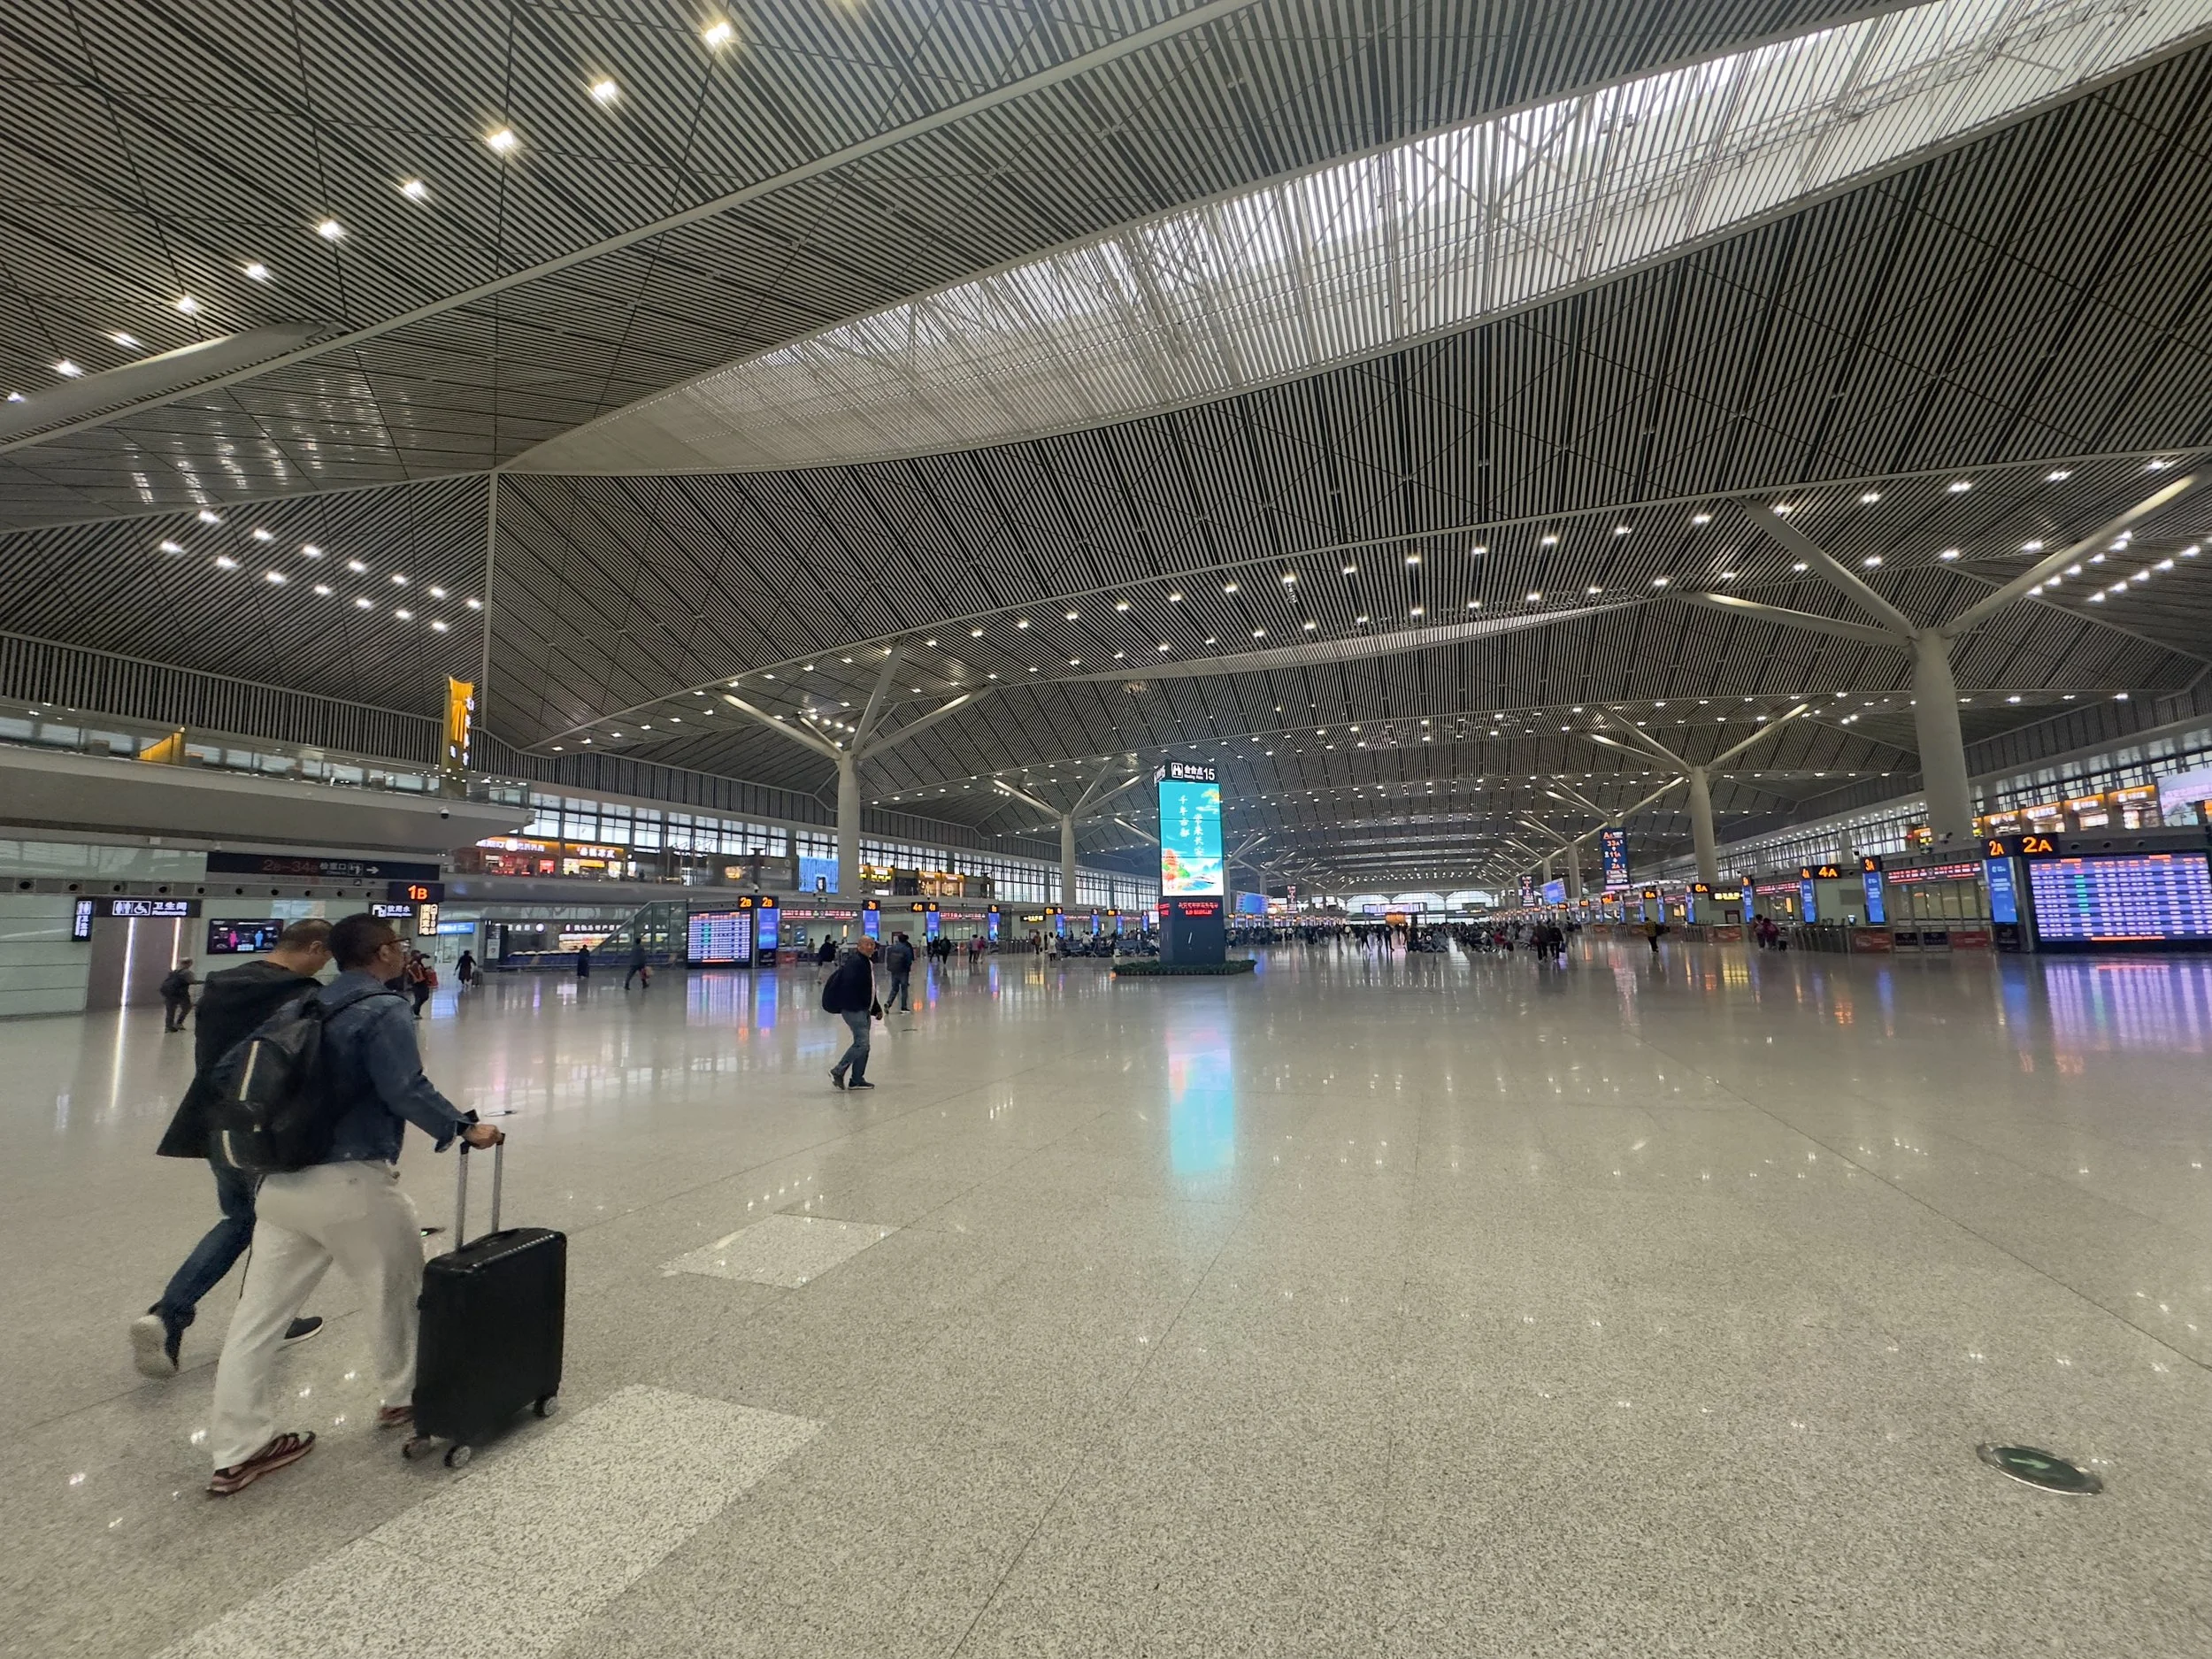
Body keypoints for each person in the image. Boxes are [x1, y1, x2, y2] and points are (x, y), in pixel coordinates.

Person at [204, 912, 502, 1496]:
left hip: (281, 1184)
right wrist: (464, 1127)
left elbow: (224, 1071)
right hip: (351, 1181)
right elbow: (404, 1087)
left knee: (256, 1321)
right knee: (399, 1291)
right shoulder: (384, 1007)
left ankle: (237, 1449)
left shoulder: (298, 1007)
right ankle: (406, 1397)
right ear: (384, 953)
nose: (401, 953)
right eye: (398, 945)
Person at [133, 919, 335, 1379]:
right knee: (274, 1223)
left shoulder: (224, 984)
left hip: (213, 1120)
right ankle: (226, 1317)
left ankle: (170, 1318)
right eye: (325, 955)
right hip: (264, 1124)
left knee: (241, 1218)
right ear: (315, 947)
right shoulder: (297, 993)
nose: (326, 965)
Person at [822, 935, 880, 1090]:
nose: (870, 947)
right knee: (862, 1043)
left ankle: (856, 1079)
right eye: (867, 944)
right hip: (854, 1009)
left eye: (872, 944)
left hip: (863, 1008)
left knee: (864, 1045)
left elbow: (870, 988)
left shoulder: (865, 963)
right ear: (859, 947)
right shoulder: (856, 963)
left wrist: (875, 1008)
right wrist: (856, 1005)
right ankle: (838, 1070)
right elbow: (849, 986)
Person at [159, 959, 196, 1033]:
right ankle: (179, 1023)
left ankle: (168, 1027)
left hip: (170, 994)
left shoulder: (174, 972)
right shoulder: (187, 972)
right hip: (182, 994)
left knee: (170, 1011)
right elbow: (191, 981)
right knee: (187, 1007)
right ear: (189, 964)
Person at [883, 931, 915, 1011]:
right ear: (906, 940)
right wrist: (908, 968)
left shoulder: (891, 948)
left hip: (894, 970)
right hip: (903, 971)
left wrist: (889, 967)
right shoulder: (906, 949)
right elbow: (909, 960)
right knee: (904, 989)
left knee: (894, 988)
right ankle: (903, 1007)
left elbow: (888, 959)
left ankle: (888, 1003)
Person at [403, 948, 434, 1018]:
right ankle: (414, 1011)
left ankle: (414, 1011)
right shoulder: (414, 962)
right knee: (421, 997)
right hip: (419, 982)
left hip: (420, 982)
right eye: (418, 954)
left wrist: (426, 969)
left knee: (421, 997)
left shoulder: (417, 962)